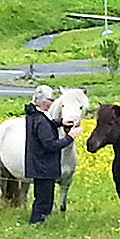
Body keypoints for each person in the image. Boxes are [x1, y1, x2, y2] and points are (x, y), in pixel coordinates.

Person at [24, 85, 82, 224]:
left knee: (42, 198)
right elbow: (50, 145)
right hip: (44, 167)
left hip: (40, 165)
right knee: (44, 201)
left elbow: (47, 124)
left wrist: (60, 123)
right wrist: (70, 138)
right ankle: (36, 223)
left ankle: (38, 222)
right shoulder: (40, 121)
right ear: (44, 102)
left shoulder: (36, 115)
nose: (52, 102)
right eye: (51, 99)